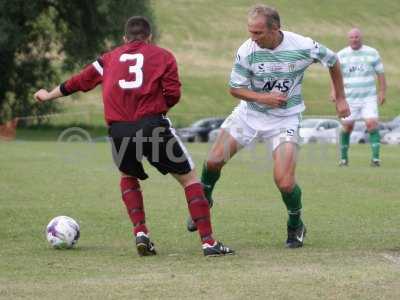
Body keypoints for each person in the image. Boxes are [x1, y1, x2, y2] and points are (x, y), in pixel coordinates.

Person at [33, 16, 233, 257]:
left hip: (119, 130)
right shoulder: (164, 56)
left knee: (128, 175)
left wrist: (47, 95)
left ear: (124, 39)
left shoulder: (108, 58)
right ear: (149, 37)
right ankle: (209, 243)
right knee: (189, 180)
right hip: (151, 126)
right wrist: (159, 110)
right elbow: (173, 93)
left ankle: (141, 233)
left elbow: (79, 82)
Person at [187, 5, 350, 248]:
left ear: (275, 29)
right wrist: (264, 99)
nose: (252, 38)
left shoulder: (302, 46)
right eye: (250, 32)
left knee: (284, 182)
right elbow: (234, 89)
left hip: (285, 119)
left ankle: (296, 224)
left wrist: (340, 97)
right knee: (212, 161)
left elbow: (333, 60)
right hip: (249, 115)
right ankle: (205, 200)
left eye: (258, 33)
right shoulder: (247, 50)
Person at [333, 28, 387, 167]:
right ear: (348, 39)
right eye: (351, 37)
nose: (354, 39)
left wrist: (381, 92)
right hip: (349, 98)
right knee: (347, 127)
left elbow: (380, 73)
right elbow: (335, 76)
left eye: (357, 37)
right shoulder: (341, 55)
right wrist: (335, 92)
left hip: (368, 97)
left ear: (361, 38)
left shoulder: (372, 52)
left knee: (371, 124)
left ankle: (376, 159)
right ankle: (343, 159)